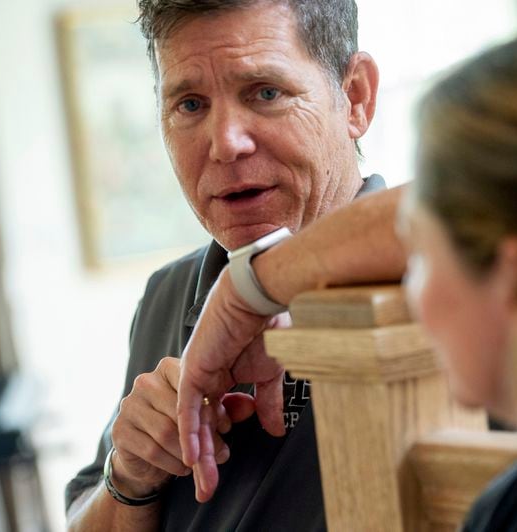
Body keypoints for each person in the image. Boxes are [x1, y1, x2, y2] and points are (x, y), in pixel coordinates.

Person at [176, 22, 517, 531]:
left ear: (512, 278)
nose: (409, 286)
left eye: (416, 248)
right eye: (191, 103)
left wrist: (245, 288)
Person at [65, 0, 383, 530]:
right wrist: (132, 478)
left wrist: (253, 287)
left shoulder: (452, 283)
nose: (225, 143)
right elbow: (87, 515)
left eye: (266, 92)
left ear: (354, 98)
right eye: (190, 105)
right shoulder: (167, 294)